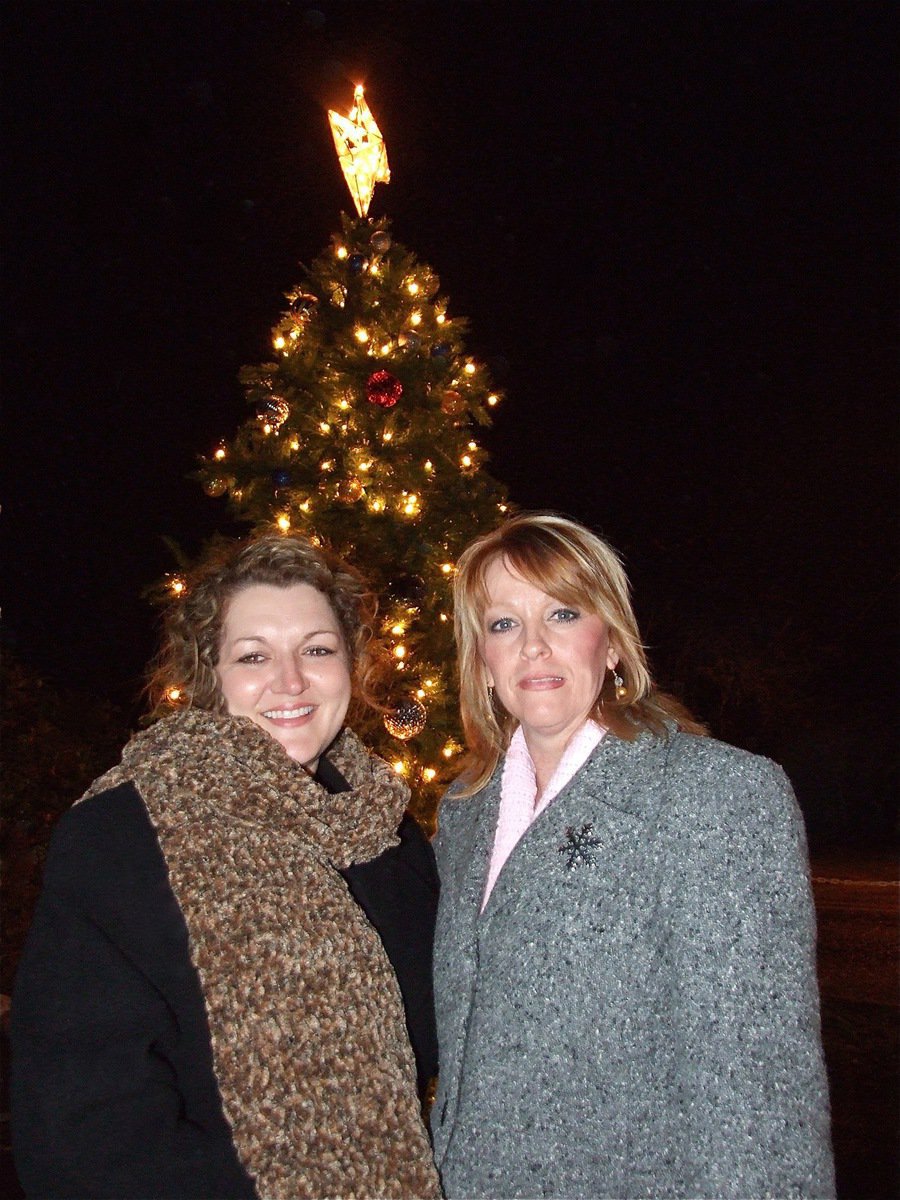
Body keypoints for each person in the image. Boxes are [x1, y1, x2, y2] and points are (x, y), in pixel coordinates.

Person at [11, 534, 442, 1200]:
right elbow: (81, 1138)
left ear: (351, 663)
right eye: (253, 656)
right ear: (211, 673)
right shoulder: (122, 837)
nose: (291, 681)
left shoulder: (384, 831)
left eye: (317, 649)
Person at [431, 511, 835, 1200]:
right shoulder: (464, 812)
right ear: (482, 660)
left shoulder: (717, 795)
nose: (532, 646)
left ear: (611, 642)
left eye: (561, 614)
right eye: (503, 625)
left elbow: (760, 1087)